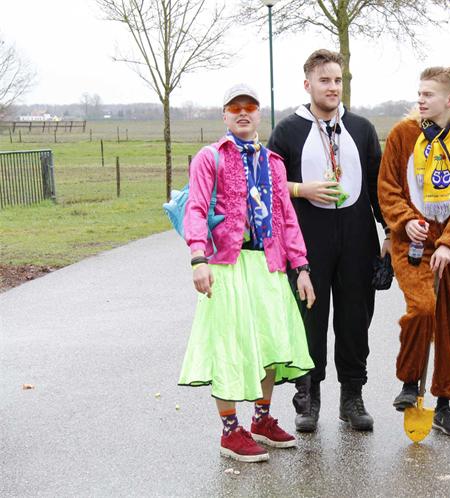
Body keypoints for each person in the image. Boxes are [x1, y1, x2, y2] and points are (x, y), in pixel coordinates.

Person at [178, 83, 316, 462]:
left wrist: (301, 267)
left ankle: (261, 420)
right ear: (224, 114)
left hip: (268, 264)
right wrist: (198, 257)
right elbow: (196, 208)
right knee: (230, 343)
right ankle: (229, 431)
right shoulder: (210, 158)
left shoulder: (273, 163)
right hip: (227, 263)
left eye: (250, 107)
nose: (243, 113)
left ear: (259, 114)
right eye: (235, 107)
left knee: (270, 344)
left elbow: (287, 218)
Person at [267, 49, 388, 433]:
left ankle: (352, 397)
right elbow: (267, 185)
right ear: (308, 84)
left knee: (355, 320)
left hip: (357, 239)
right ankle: (308, 397)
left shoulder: (362, 128)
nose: (333, 87)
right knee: (310, 320)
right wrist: (302, 189)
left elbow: (379, 186)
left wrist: (388, 232)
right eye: (324, 80)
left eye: (337, 80)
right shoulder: (287, 130)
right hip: (308, 241)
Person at [378, 66, 450, 437]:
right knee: (423, 307)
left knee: (449, 323)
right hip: (412, 239)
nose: (420, 100)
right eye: (419, 93)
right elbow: (387, 187)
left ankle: (443, 403)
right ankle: (410, 382)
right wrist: (405, 220)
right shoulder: (403, 134)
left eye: (428, 94)